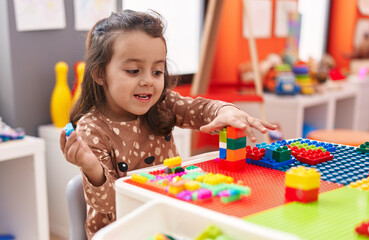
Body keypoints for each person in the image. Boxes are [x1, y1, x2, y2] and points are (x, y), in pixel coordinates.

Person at [60, 9, 276, 239]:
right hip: (122, 229)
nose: (148, 82)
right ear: (100, 74)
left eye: (157, 71)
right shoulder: (92, 129)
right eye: (133, 71)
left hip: (167, 218)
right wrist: (92, 168)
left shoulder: (162, 104)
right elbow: (110, 204)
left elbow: (198, 109)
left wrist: (225, 110)